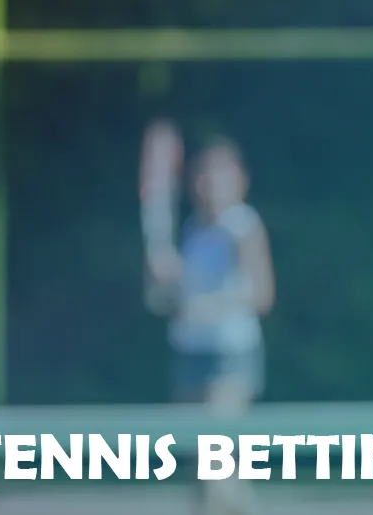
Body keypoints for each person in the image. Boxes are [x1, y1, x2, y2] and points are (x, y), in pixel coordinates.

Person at [144, 132, 276, 515]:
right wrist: (161, 281)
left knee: (220, 463)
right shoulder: (190, 232)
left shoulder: (245, 227)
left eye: (219, 175)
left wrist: (207, 305)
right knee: (200, 469)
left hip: (231, 356)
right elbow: (165, 303)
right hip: (189, 354)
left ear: (240, 180)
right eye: (203, 175)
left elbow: (262, 294)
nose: (209, 184)